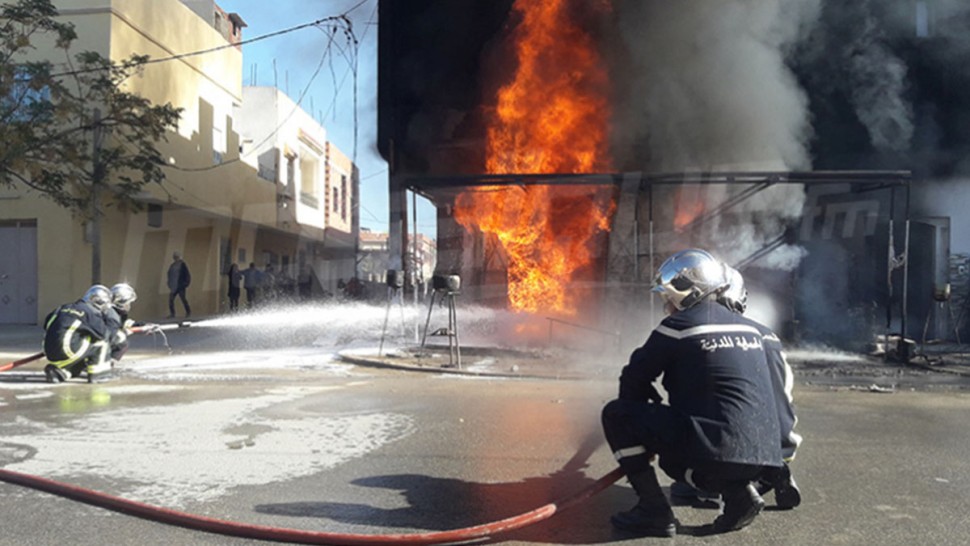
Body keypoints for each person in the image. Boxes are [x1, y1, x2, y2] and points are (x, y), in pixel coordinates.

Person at [601, 249, 782, 537]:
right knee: (702, 435)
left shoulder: (678, 326)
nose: (667, 307)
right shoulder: (756, 330)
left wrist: (639, 438)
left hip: (715, 452)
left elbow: (633, 378)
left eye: (668, 298)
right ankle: (737, 493)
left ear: (687, 292)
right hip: (767, 459)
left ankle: (653, 511)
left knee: (615, 415)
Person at [42, 285, 116, 384]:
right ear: (98, 302)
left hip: (49, 352)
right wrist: (111, 321)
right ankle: (99, 374)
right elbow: (103, 333)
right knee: (101, 342)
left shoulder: (63, 307)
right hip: (67, 351)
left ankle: (60, 372)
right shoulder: (89, 312)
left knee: (82, 344)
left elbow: (47, 324)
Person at [167, 251, 191, 318]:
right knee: (171, 299)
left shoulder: (182, 265)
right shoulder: (172, 265)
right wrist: (169, 282)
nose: (176, 258)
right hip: (174, 286)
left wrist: (186, 283)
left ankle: (188, 312)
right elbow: (169, 274)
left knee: (183, 299)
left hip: (180, 285)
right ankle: (172, 313)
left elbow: (187, 275)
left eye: (176, 257)